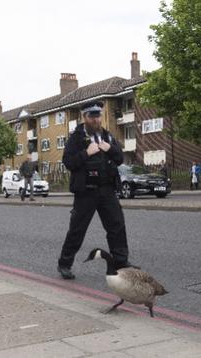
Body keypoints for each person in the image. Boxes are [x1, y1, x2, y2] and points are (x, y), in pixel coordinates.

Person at [57, 101, 134, 280]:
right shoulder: (76, 138)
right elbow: (68, 162)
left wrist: (111, 148)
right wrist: (87, 153)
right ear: (84, 117)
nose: (96, 120)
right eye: (92, 116)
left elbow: (120, 159)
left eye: (98, 116)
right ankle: (64, 264)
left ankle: (121, 261)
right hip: (86, 192)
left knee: (117, 226)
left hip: (107, 190)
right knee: (77, 230)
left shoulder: (107, 136)